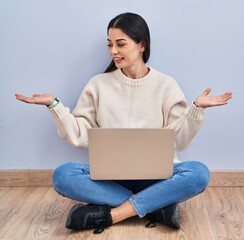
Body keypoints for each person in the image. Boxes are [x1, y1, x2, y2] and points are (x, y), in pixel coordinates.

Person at [15, 12, 232, 234]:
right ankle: (155, 207)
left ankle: (113, 214)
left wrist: (197, 108)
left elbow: (178, 140)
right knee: (63, 175)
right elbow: (81, 136)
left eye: (120, 44)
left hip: (156, 178)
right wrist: (55, 106)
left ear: (141, 45)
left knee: (199, 172)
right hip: (110, 180)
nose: (112, 52)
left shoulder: (166, 85)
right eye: (109, 44)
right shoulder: (98, 85)